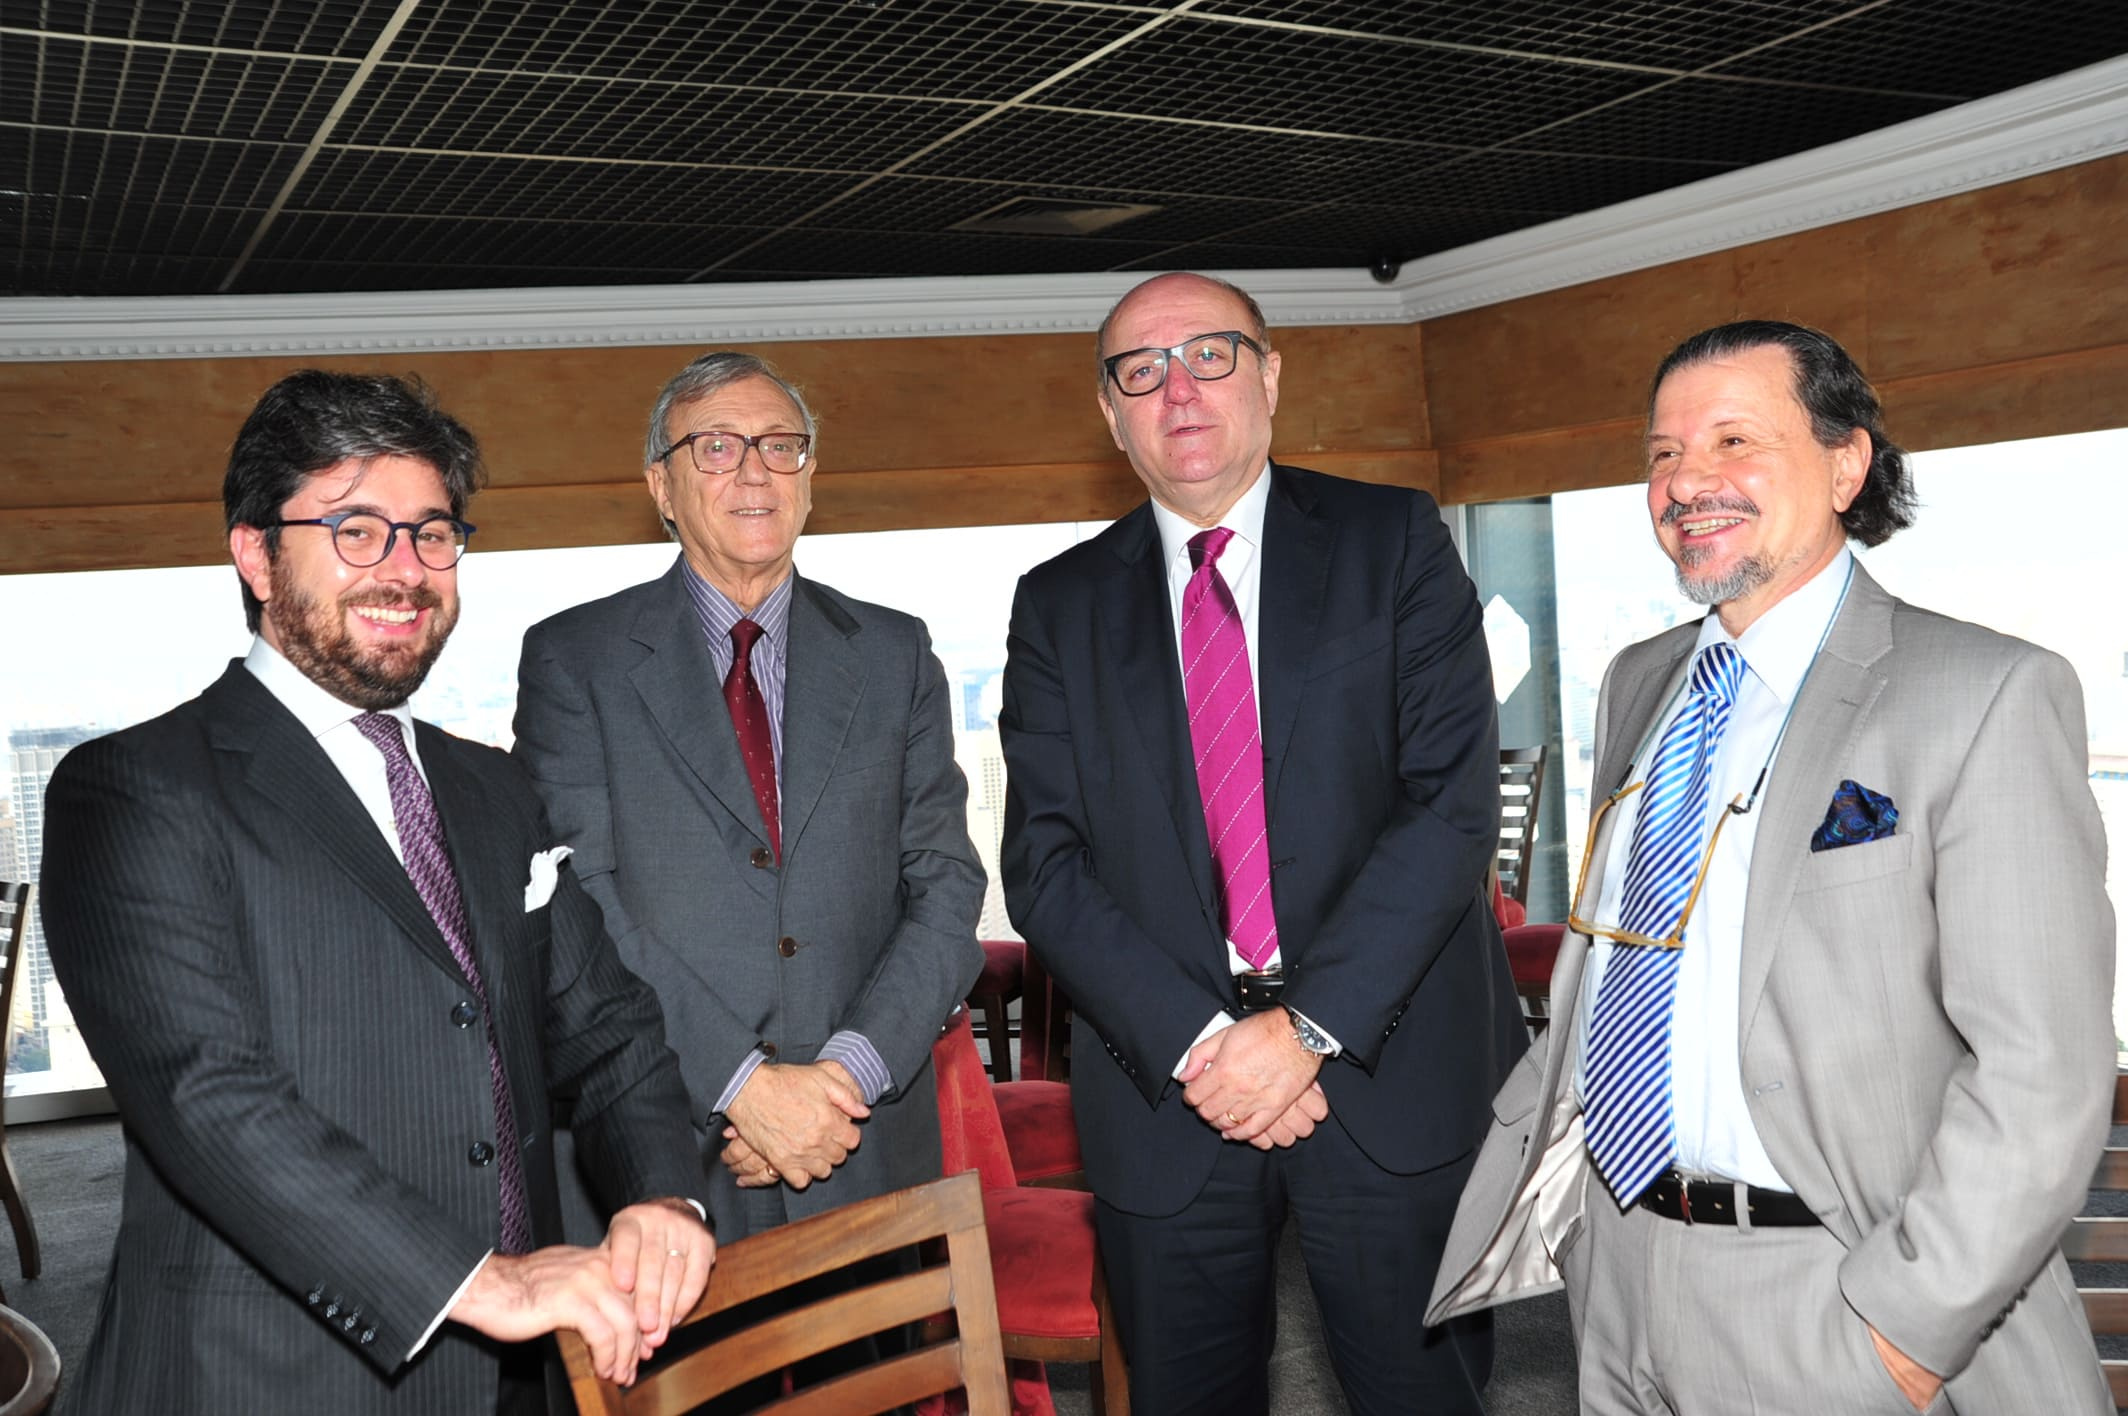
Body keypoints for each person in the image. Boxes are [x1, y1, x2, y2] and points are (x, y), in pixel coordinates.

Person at [1429, 320, 2115, 1412]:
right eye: (1662, 452)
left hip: (1835, 1291)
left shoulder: (1984, 693)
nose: (1685, 480)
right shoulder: (1638, 682)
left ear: (1846, 465)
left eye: (1733, 441)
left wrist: (1904, 1331)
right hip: (1619, 1269)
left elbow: (2042, 1067)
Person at [40, 370, 713, 1415]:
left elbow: (609, 1029)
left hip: (523, 1377)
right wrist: (482, 1283)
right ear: (256, 555)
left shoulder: (493, 787)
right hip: (265, 1381)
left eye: (433, 534)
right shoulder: (133, 787)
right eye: (357, 531)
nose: (406, 569)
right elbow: (207, 1097)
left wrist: (663, 1197)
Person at [998, 271, 1526, 1415]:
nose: (1177, 390)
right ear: (1110, 413)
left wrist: (1304, 1030)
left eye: (1210, 355)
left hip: (1389, 1074)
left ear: (1270, 377)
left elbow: (1447, 806)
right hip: (1165, 1091)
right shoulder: (1057, 603)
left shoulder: (1393, 541)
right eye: (1141, 370)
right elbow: (1044, 864)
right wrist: (1210, 1047)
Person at [513, 350, 984, 1247]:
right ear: (662, 485)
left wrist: (842, 1081)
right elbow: (580, 904)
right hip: (662, 1146)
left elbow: (946, 887)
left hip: (862, 1145)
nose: (756, 471)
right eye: (718, 447)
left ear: (810, 475)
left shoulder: (895, 654)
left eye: (780, 445)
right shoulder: (575, 659)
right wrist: (745, 1087)